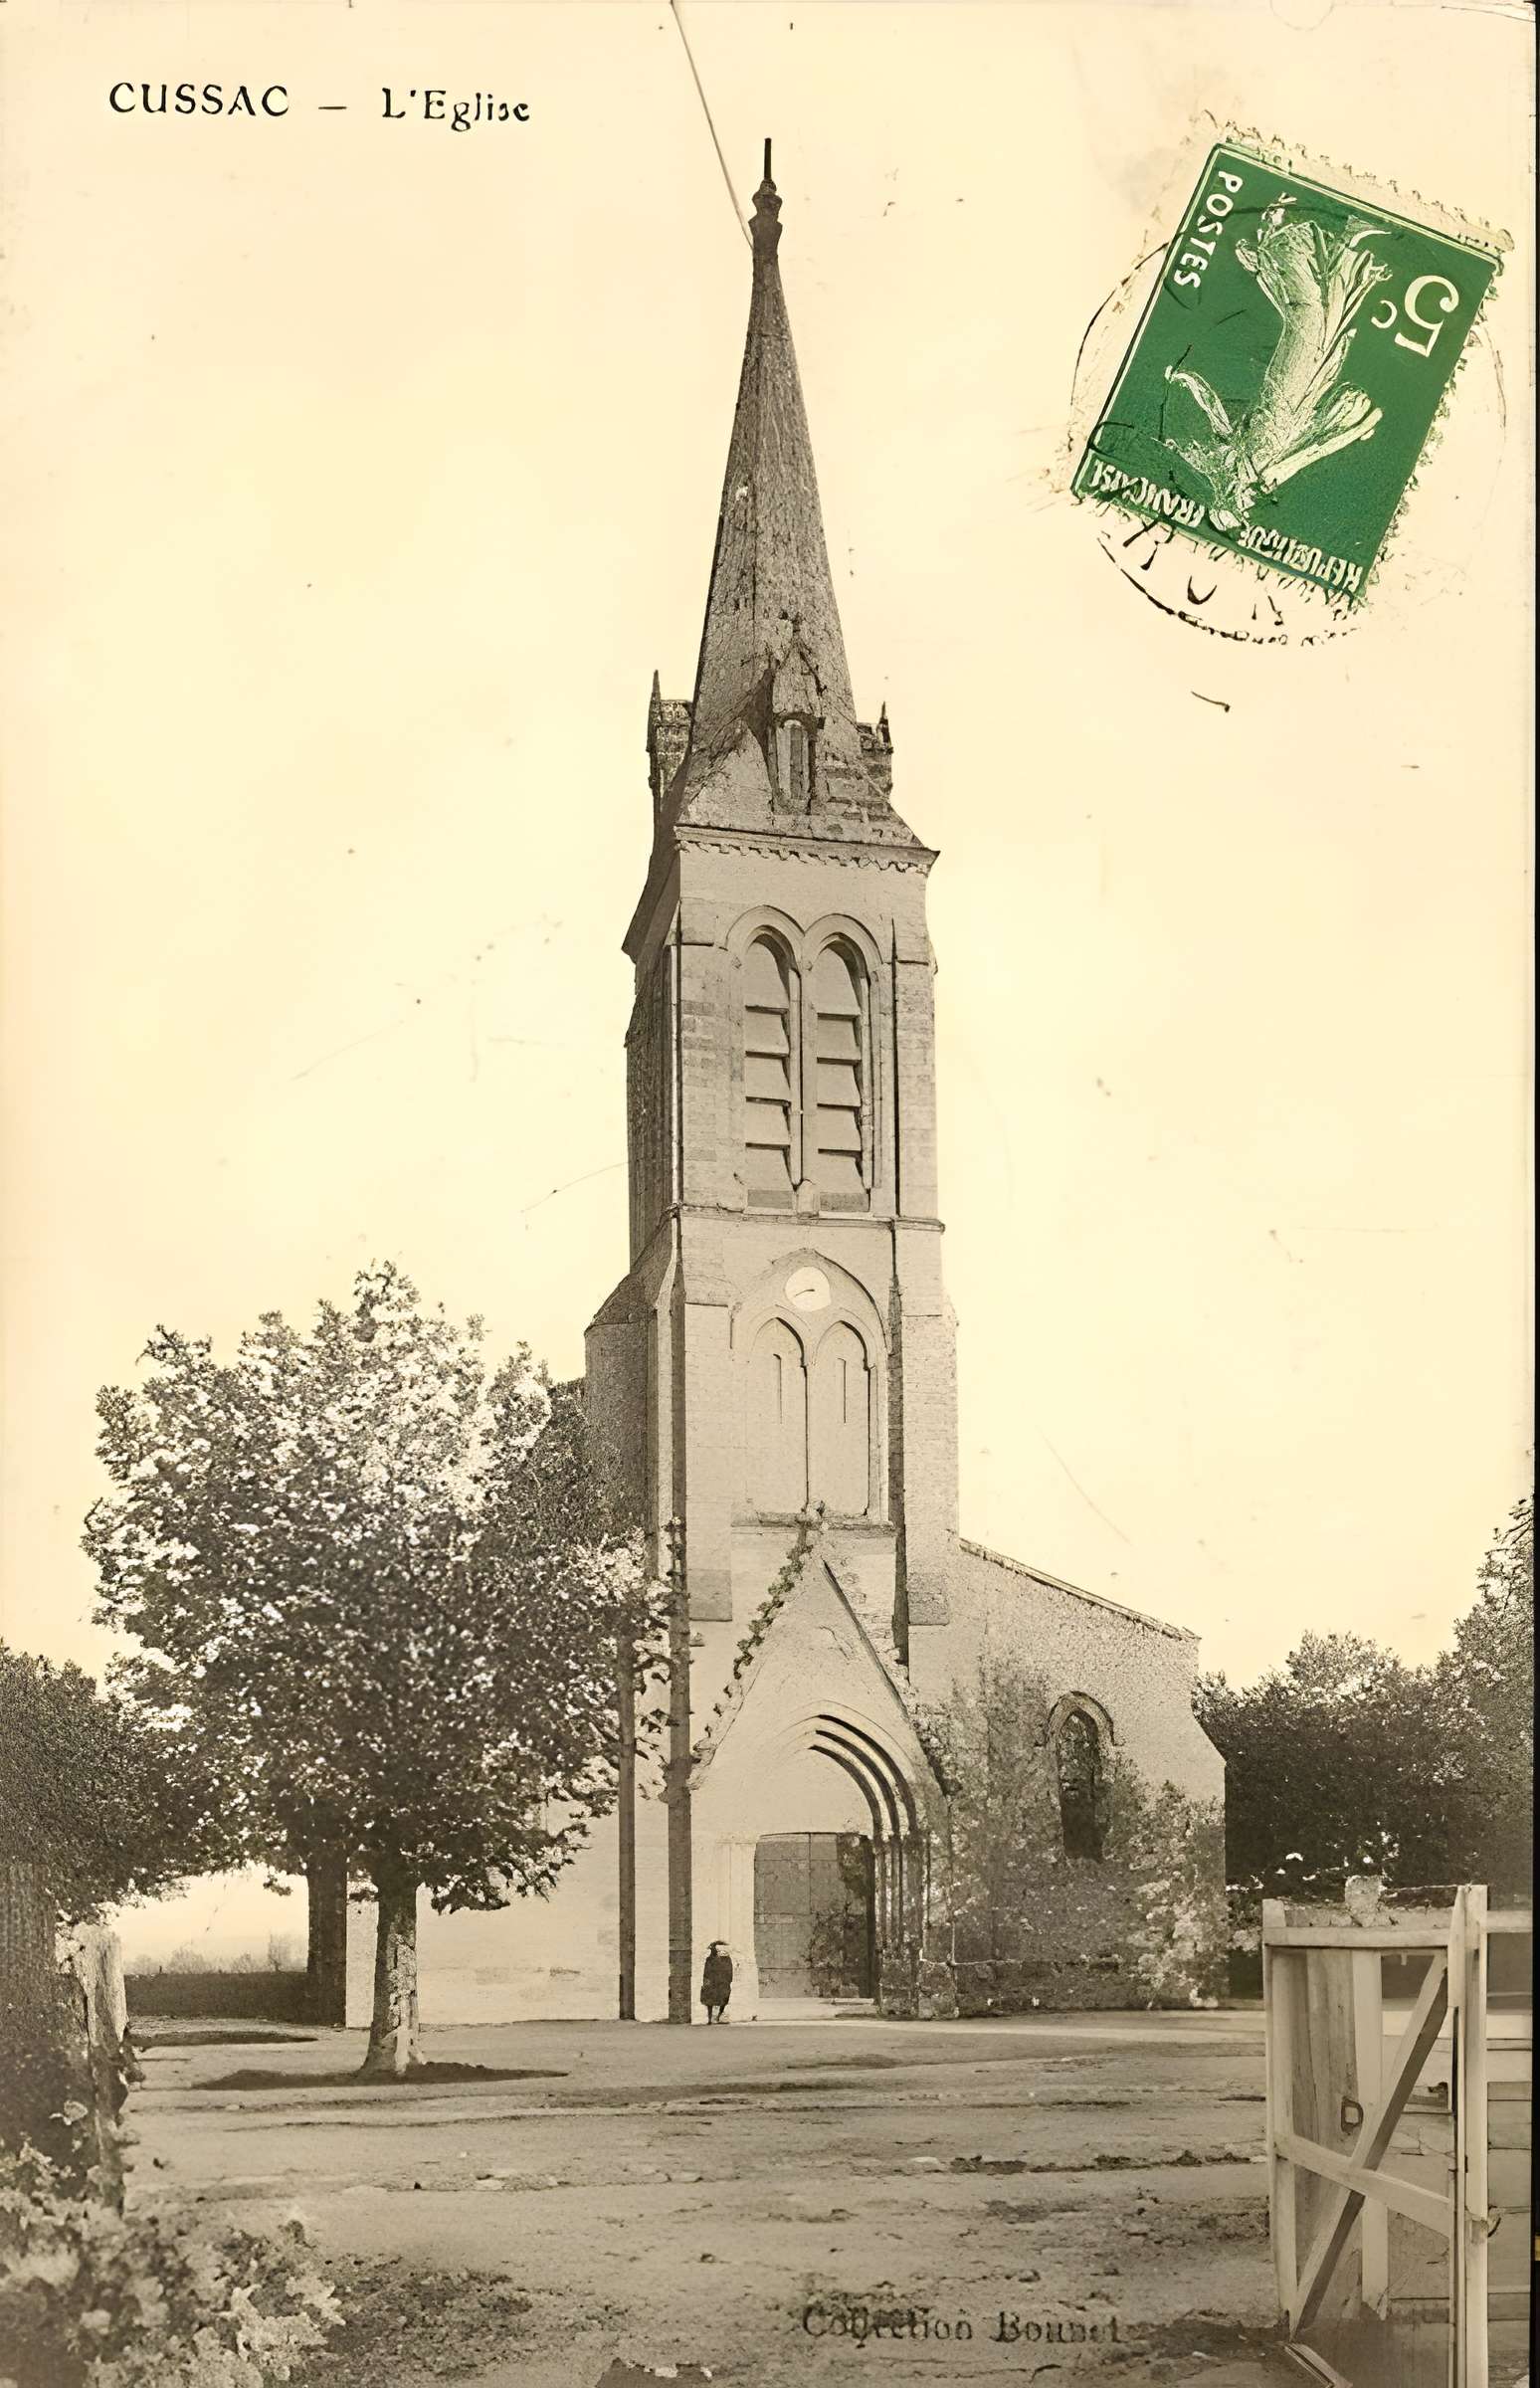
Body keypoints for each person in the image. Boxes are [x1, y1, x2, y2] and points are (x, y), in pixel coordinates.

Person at [700, 1940, 733, 2024]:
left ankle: (718, 2016)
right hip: (713, 1983)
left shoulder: (726, 1959)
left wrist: (728, 1981)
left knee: (723, 2000)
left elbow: (729, 1972)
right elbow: (706, 1972)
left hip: (722, 1983)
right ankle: (711, 2018)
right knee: (710, 2001)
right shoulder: (710, 1959)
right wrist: (706, 1982)